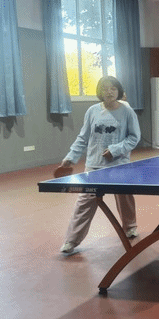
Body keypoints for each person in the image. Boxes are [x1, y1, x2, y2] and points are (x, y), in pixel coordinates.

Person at [59, 76, 141, 254]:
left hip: (119, 164)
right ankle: (71, 240)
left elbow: (134, 138)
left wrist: (115, 150)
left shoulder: (127, 112)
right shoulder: (92, 111)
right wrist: (71, 156)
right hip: (94, 165)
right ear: (99, 92)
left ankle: (130, 227)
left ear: (118, 91)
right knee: (84, 202)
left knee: (125, 197)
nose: (109, 91)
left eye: (113, 88)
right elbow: (83, 137)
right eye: (105, 88)